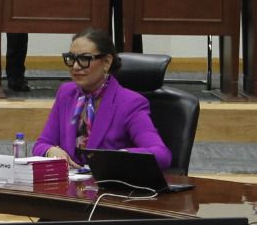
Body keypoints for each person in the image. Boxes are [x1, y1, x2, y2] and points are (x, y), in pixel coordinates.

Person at [33, 27, 171, 170]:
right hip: (69, 181)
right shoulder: (66, 93)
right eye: (71, 58)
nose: (75, 66)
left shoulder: (130, 103)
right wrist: (50, 151)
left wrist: (119, 157)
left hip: (107, 182)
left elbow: (161, 154)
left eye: (84, 59)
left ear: (106, 62)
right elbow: (41, 144)